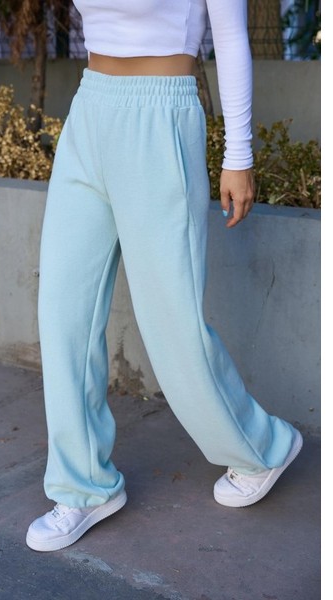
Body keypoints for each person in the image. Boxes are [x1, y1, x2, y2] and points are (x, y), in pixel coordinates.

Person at [26, 0, 303, 552]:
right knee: (63, 312)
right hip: (89, 109)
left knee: (171, 322)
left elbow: (230, 38)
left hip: (161, 115)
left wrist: (239, 155)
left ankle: (263, 447)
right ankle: (84, 487)